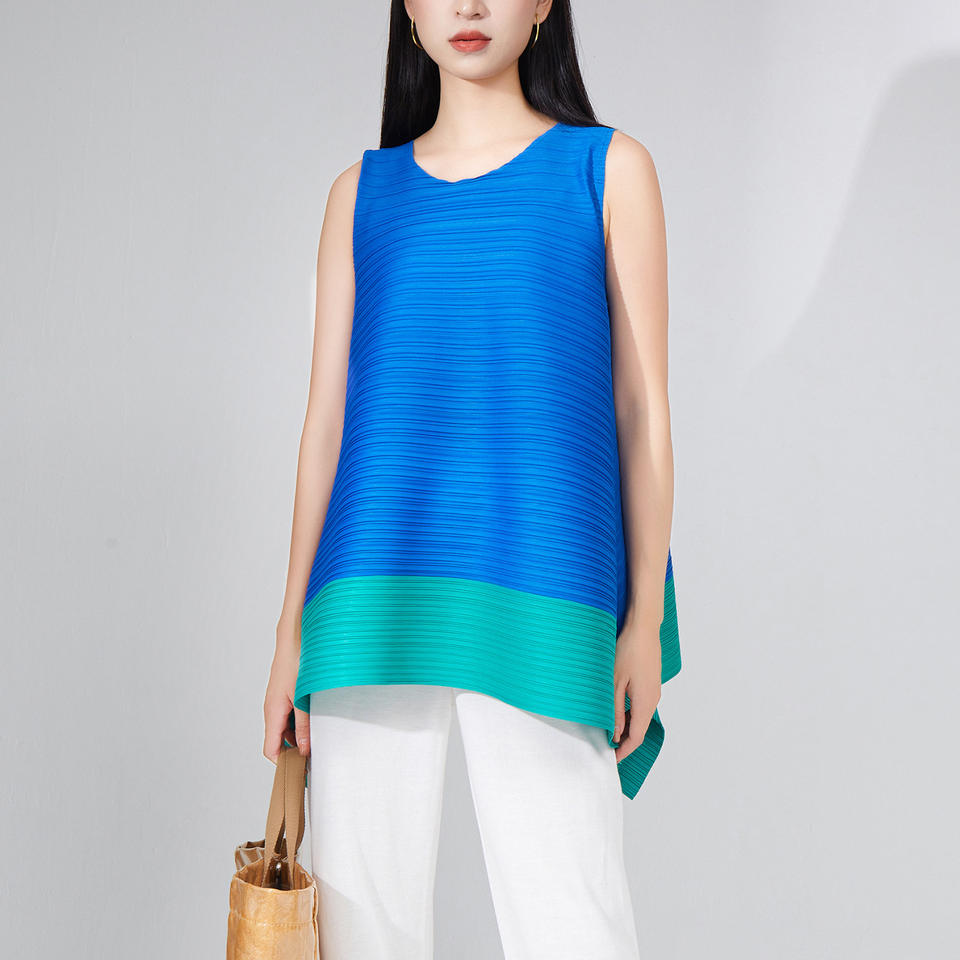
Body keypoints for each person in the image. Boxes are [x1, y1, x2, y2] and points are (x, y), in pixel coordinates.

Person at [263, 2, 681, 957]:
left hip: (548, 581)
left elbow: (642, 410)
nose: (469, 5)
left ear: (544, 4)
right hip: (368, 592)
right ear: (407, 10)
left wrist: (643, 619)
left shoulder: (608, 170)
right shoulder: (359, 195)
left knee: (572, 923)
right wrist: (289, 634)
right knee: (362, 931)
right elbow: (324, 424)